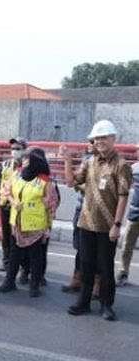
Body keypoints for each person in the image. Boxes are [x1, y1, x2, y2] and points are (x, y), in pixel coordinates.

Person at [63, 120, 132, 321]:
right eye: (97, 138)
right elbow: (70, 182)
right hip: (86, 223)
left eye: (104, 137)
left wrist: (117, 225)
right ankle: (84, 302)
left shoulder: (122, 165)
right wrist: (67, 160)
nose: (100, 141)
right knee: (86, 264)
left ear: (113, 139)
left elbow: (123, 195)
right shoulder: (89, 162)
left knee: (105, 267)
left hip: (107, 226)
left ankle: (106, 305)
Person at [0, 149, 59, 298]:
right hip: (17, 223)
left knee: (36, 258)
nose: (23, 162)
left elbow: (52, 205)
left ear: (35, 162)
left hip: (36, 226)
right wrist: (14, 202)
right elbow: (7, 191)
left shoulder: (45, 182)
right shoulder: (17, 175)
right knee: (14, 255)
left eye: (27, 159)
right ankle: (9, 281)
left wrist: (48, 227)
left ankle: (34, 285)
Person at [62, 142, 94, 294]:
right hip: (81, 209)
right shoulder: (86, 160)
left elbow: (91, 188)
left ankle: (96, 285)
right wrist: (67, 160)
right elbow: (71, 182)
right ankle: (77, 279)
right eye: (91, 140)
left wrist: (81, 186)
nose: (92, 144)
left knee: (97, 250)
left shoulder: (108, 163)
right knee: (80, 247)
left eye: (95, 141)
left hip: (97, 212)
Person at [0, 138, 28, 273]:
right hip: (6, 204)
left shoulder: (28, 166)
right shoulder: (5, 165)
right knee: (6, 234)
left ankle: (22, 263)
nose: (14, 151)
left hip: (20, 206)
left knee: (19, 235)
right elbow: (1, 182)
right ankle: (6, 261)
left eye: (18, 148)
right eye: (13, 148)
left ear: (24, 150)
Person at [116, 148, 139, 287]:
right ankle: (123, 273)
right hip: (134, 213)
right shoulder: (134, 168)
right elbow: (123, 185)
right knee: (126, 246)